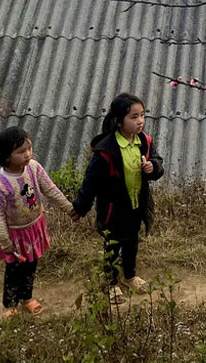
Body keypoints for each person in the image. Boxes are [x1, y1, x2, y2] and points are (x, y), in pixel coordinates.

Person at [73, 92, 165, 303]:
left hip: (136, 204)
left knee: (132, 241)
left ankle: (130, 276)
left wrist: (153, 168)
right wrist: (80, 207)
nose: (140, 120)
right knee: (112, 246)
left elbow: (158, 165)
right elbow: (91, 182)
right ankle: (112, 283)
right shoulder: (106, 150)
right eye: (134, 117)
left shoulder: (144, 142)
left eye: (142, 115)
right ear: (119, 121)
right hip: (113, 209)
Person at [0, 126, 79, 317]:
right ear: (6, 156)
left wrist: (69, 208)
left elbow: (50, 189)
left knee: (31, 265)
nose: (27, 154)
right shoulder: (0, 185)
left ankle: (27, 298)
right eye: (21, 151)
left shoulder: (34, 168)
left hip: (34, 228)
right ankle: (10, 305)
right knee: (13, 270)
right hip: (15, 235)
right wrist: (5, 242)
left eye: (29, 148)